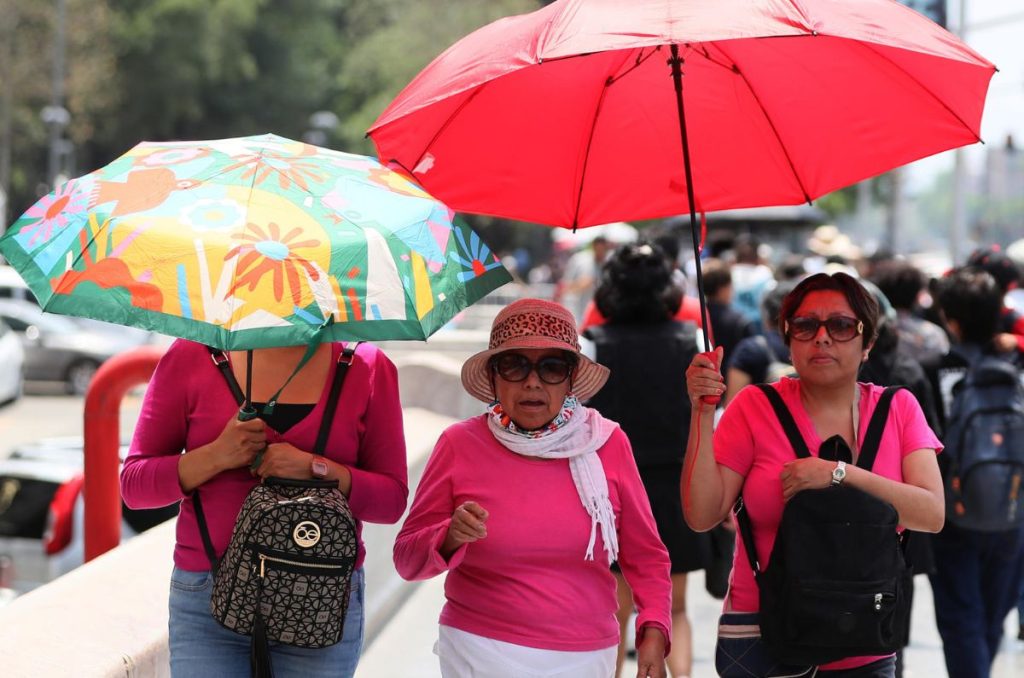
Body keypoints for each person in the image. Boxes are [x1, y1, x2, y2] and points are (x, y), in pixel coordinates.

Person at [683, 272, 944, 677]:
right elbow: (702, 515)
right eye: (804, 326)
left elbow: (931, 513)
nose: (822, 337)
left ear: (868, 342)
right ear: (787, 339)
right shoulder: (755, 406)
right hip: (764, 634)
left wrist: (839, 474)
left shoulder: (898, 409)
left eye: (841, 325)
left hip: (864, 637)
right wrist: (701, 413)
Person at [394, 298, 671, 678]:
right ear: (493, 377)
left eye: (552, 367)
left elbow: (647, 556)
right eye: (514, 365)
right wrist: (450, 536)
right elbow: (407, 561)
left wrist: (654, 628)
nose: (532, 382)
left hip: (586, 654)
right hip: (479, 647)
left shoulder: (607, 442)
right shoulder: (459, 443)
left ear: (571, 379)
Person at [120, 340, 408, 678]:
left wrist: (316, 468)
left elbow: (391, 501)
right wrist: (217, 455)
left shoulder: (366, 365)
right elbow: (135, 486)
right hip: (207, 596)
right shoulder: (192, 355)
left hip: (322, 597)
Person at [583, 243, 706, 678]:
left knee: (615, 610)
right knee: (674, 607)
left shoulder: (592, 345)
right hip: (675, 487)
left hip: (608, 492)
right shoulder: (692, 341)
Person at [925, 268, 1024, 678]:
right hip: (1014, 508)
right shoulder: (1015, 365)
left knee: (960, 616)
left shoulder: (933, 369)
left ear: (951, 319)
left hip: (951, 510)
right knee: (991, 614)